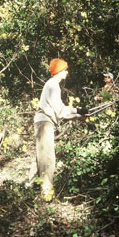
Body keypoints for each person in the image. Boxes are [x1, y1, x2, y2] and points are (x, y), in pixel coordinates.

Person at [32, 58, 88, 201]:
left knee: (40, 157)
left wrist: (77, 116)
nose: (67, 72)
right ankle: (47, 195)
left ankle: (29, 187)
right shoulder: (53, 85)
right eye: (65, 70)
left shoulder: (51, 85)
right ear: (60, 71)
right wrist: (78, 110)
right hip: (44, 123)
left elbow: (60, 112)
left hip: (42, 121)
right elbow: (61, 110)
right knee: (47, 159)